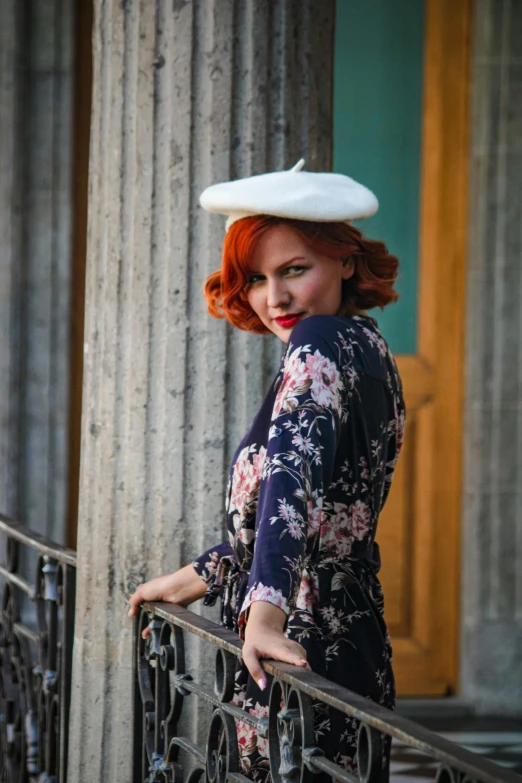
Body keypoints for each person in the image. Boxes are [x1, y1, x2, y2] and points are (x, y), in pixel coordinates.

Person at [128, 160, 406, 782]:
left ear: (346, 261)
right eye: (256, 278)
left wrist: (267, 618)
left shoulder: (320, 344)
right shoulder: (366, 345)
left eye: (294, 270)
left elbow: (291, 486)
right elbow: (323, 514)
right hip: (347, 634)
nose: (272, 297)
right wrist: (200, 573)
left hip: (300, 647)